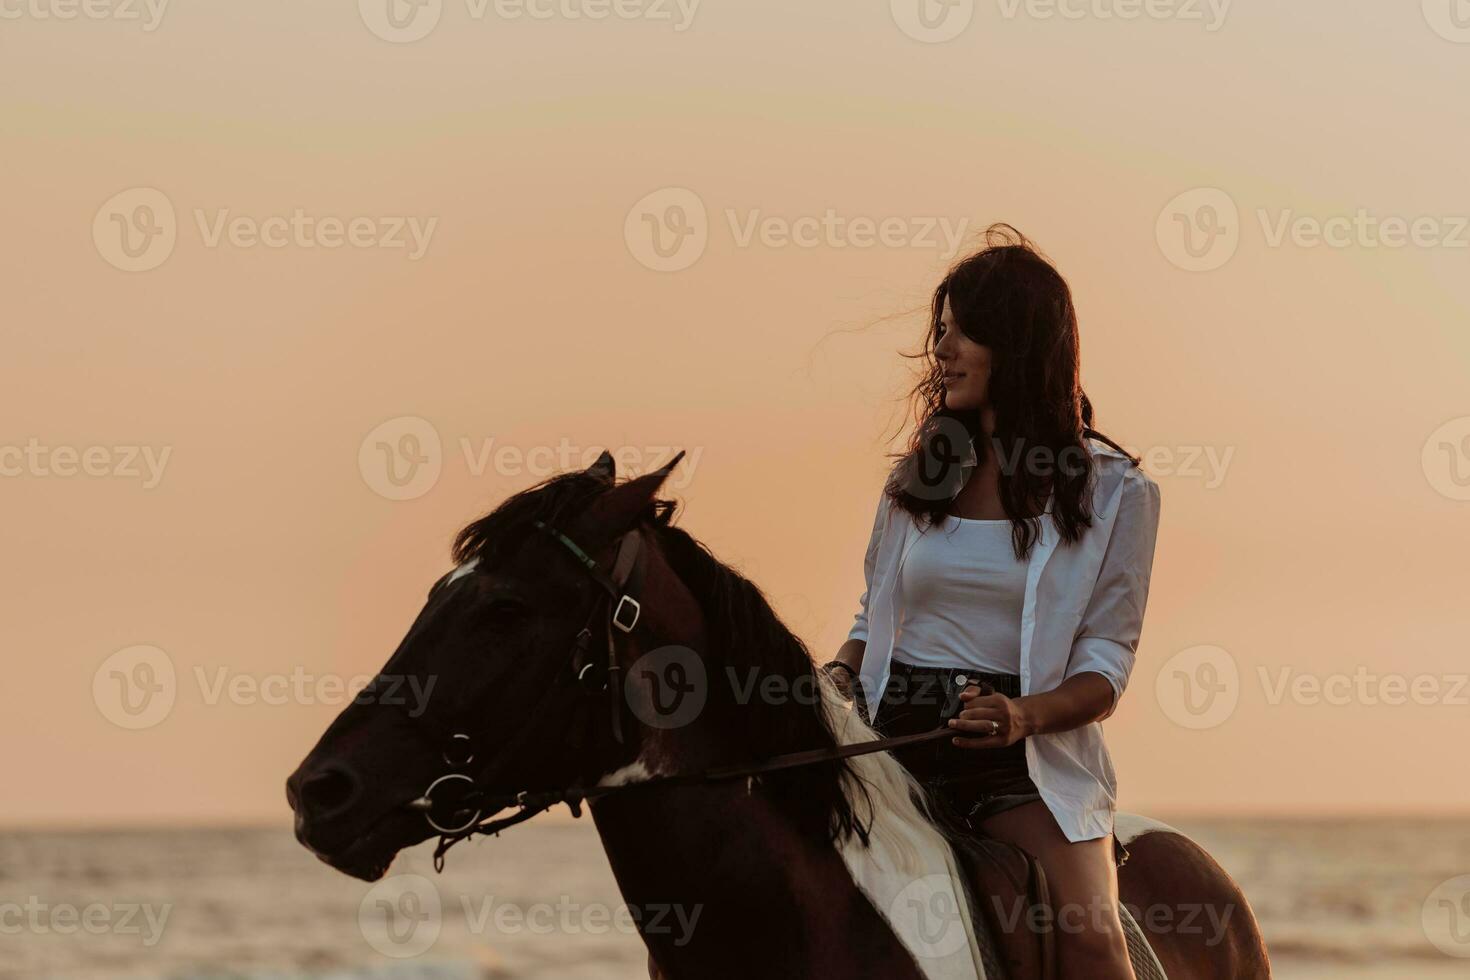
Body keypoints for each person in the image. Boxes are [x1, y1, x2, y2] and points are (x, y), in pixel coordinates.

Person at [823, 224, 1162, 979]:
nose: (940, 351)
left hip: (1019, 761)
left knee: (1092, 936)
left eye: (962, 332)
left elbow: (1106, 665)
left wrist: (1021, 717)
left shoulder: (1117, 493)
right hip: (886, 742)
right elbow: (870, 612)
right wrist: (838, 673)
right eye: (939, 333)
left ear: (1021, 343)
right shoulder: (918, 476)